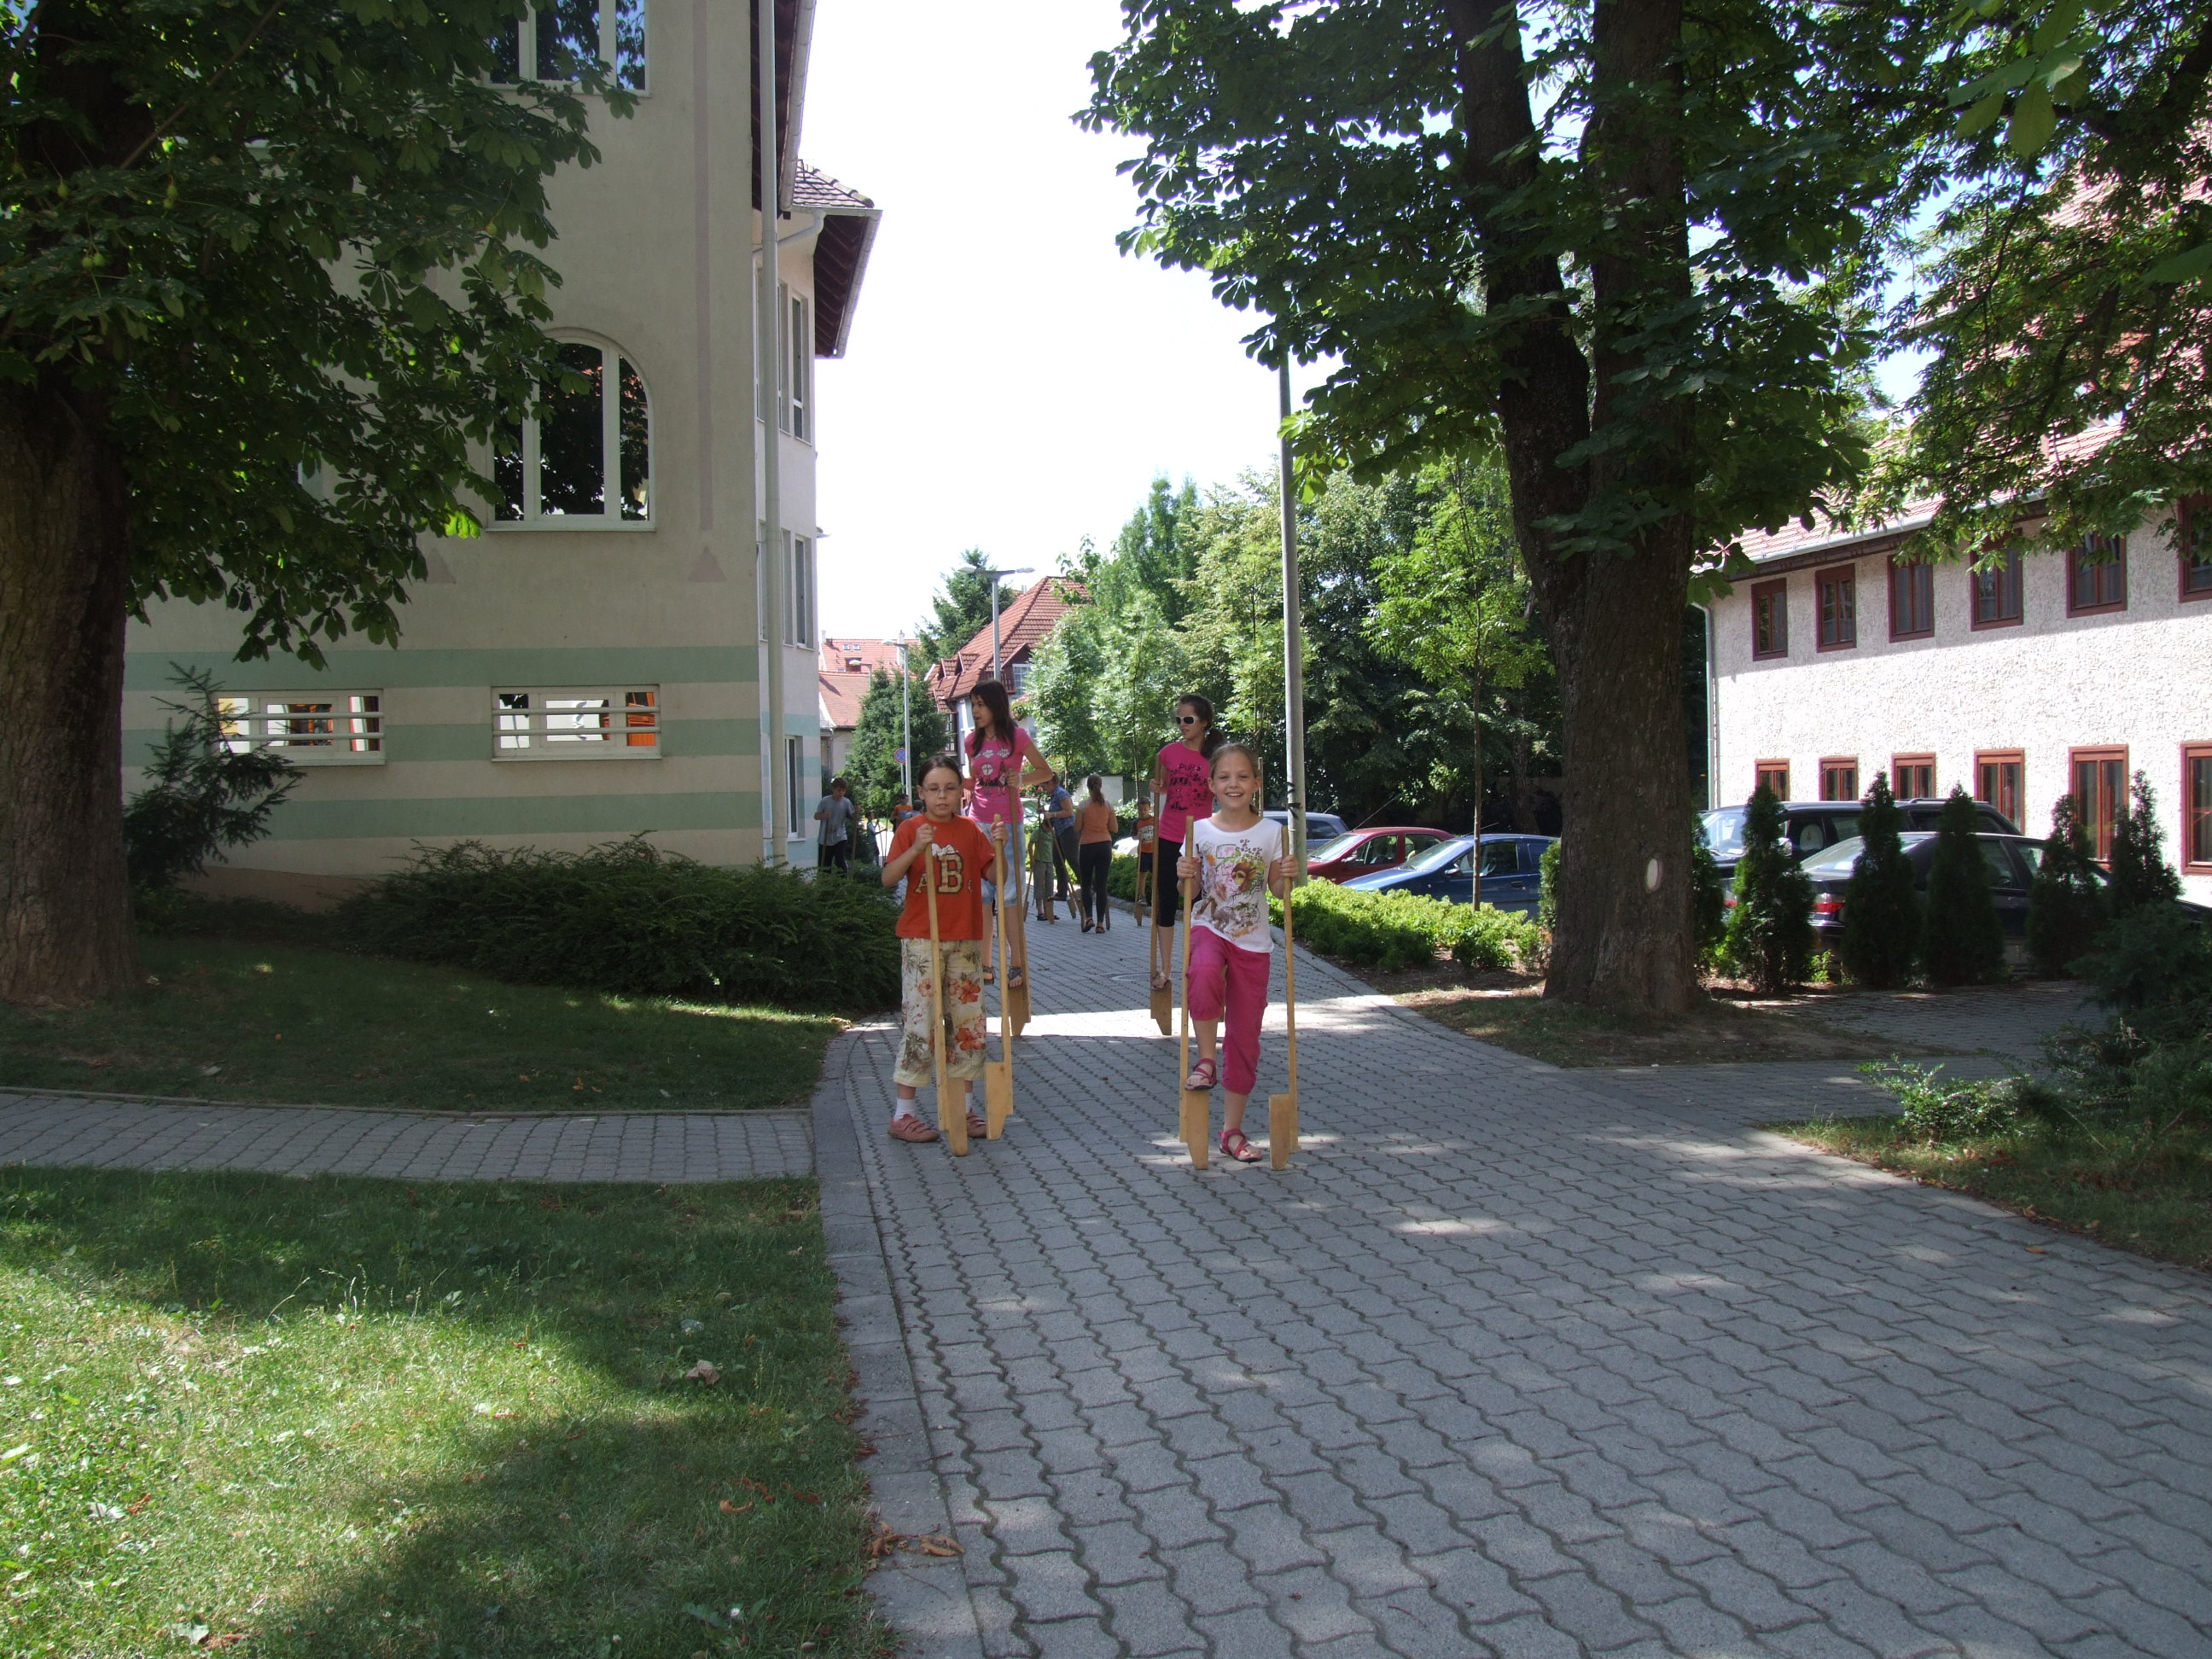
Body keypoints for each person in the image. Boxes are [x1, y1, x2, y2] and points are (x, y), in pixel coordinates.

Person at [1175, 741, 1293, 1164]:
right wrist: (1183, 874)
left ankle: (1232, 1131)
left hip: (1253, 941)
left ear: (1257, 783)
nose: (1234, 784)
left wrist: (1289, 876)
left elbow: (1277, 891)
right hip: (1210, 925)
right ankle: (1206, 1059)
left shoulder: (1272, 832)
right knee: (1203, 972)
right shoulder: (1199, 831)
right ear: (1211, 785)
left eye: (1243, 776)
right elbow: (1188, 890)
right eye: (1224, 777)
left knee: (1245, 1039)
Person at [880, 754, 1006, 1145]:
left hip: (965, 940)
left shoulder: (970, 831)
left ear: (961, 792)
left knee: (969, 1025)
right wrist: (916, 848)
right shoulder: (910, 829)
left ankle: (962, 1109)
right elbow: (888, 878)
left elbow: (996, 876)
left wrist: (1000, 847)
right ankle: (903, 1114)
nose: (942, 796)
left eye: (950, 788)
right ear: (921, 792)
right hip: (923, 940)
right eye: (934, 789)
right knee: (922, 1024)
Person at [963, 678, 1050, 981]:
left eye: (981, 705)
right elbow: (975, 782)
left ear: (996, 706)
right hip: (978, 822)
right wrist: (949, 782)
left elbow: (1045, 771)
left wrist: (1021, 780)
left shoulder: (1017, 737)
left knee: (1009, 894)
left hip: (1008, 823)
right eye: (973, 705)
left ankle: (1017, 962)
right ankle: (986, 964)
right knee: (983, 895)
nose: (975, 711)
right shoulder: (971, 742)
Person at [1150, 693, 1220, 991]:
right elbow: (1164, 786)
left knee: (1198, 902)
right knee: (1166, 900)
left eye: (1188, 719)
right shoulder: (1167, 754)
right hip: (1169, 835)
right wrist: (1157, 786)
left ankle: (1198, 964)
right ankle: (1166, 969)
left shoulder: (1216, 757)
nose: (1182, 724)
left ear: (1204, 722)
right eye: (1178, 719)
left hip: (1201, 838)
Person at [1074, 776, 1118, 933]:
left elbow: (1077, 827)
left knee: (1086, 884)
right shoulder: (1108, 805)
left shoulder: (1083, 806)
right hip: (1104, 845)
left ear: (1088, 787)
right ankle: (1100, 923)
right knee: (1101, 884)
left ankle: (1089, 918)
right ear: (1101, 785)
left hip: (1087, 845)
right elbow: (1114, 828)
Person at [813, 776, 855, 875]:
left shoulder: (846, 802)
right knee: (824, 865)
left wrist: (857, 812)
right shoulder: (825, 801)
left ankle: (842, 880)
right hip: (825, 837)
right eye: (839, 790)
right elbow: (816, 816)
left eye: (843, 791)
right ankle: (826, 882)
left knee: (840, 860)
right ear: (833, 789)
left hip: (840, 836)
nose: (841, 793)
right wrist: (824, 815)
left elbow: (854, 817)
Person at [1046, 776, 1079, 901]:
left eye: (1044, 786)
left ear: (1050, 782)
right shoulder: (1054, 795)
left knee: (1073, 860)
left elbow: (1069, 812)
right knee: (1058, 860)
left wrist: (1052, 814)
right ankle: (1062, 892)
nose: (1043, 789)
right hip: (1059, 832)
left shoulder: (1060, 793)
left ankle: (1088, 887)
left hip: (1068, 830)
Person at [1027, 811, 1058, 923]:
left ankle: (1049, 911)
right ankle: (1040, 911)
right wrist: (1032, 859)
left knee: (1050, 887)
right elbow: (1030, 844)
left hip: (1049, 862)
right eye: (1047, 827)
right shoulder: (1038, 831)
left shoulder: (1052, 832)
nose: (1049, 830)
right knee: (1039, 886)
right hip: (1040, 861)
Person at [1133, 791, 1158, 923]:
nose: (1142, 812)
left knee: (1155, 874)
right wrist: (1137, 836)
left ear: (1149, 809)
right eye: (1140, 810)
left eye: (1145, 809)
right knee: (1142, 874)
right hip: (1143, 851)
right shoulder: (1136, 822)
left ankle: (1155, 894)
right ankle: (1142, 895)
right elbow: (1133, 836)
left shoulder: (1154, 821)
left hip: (1153, 852)